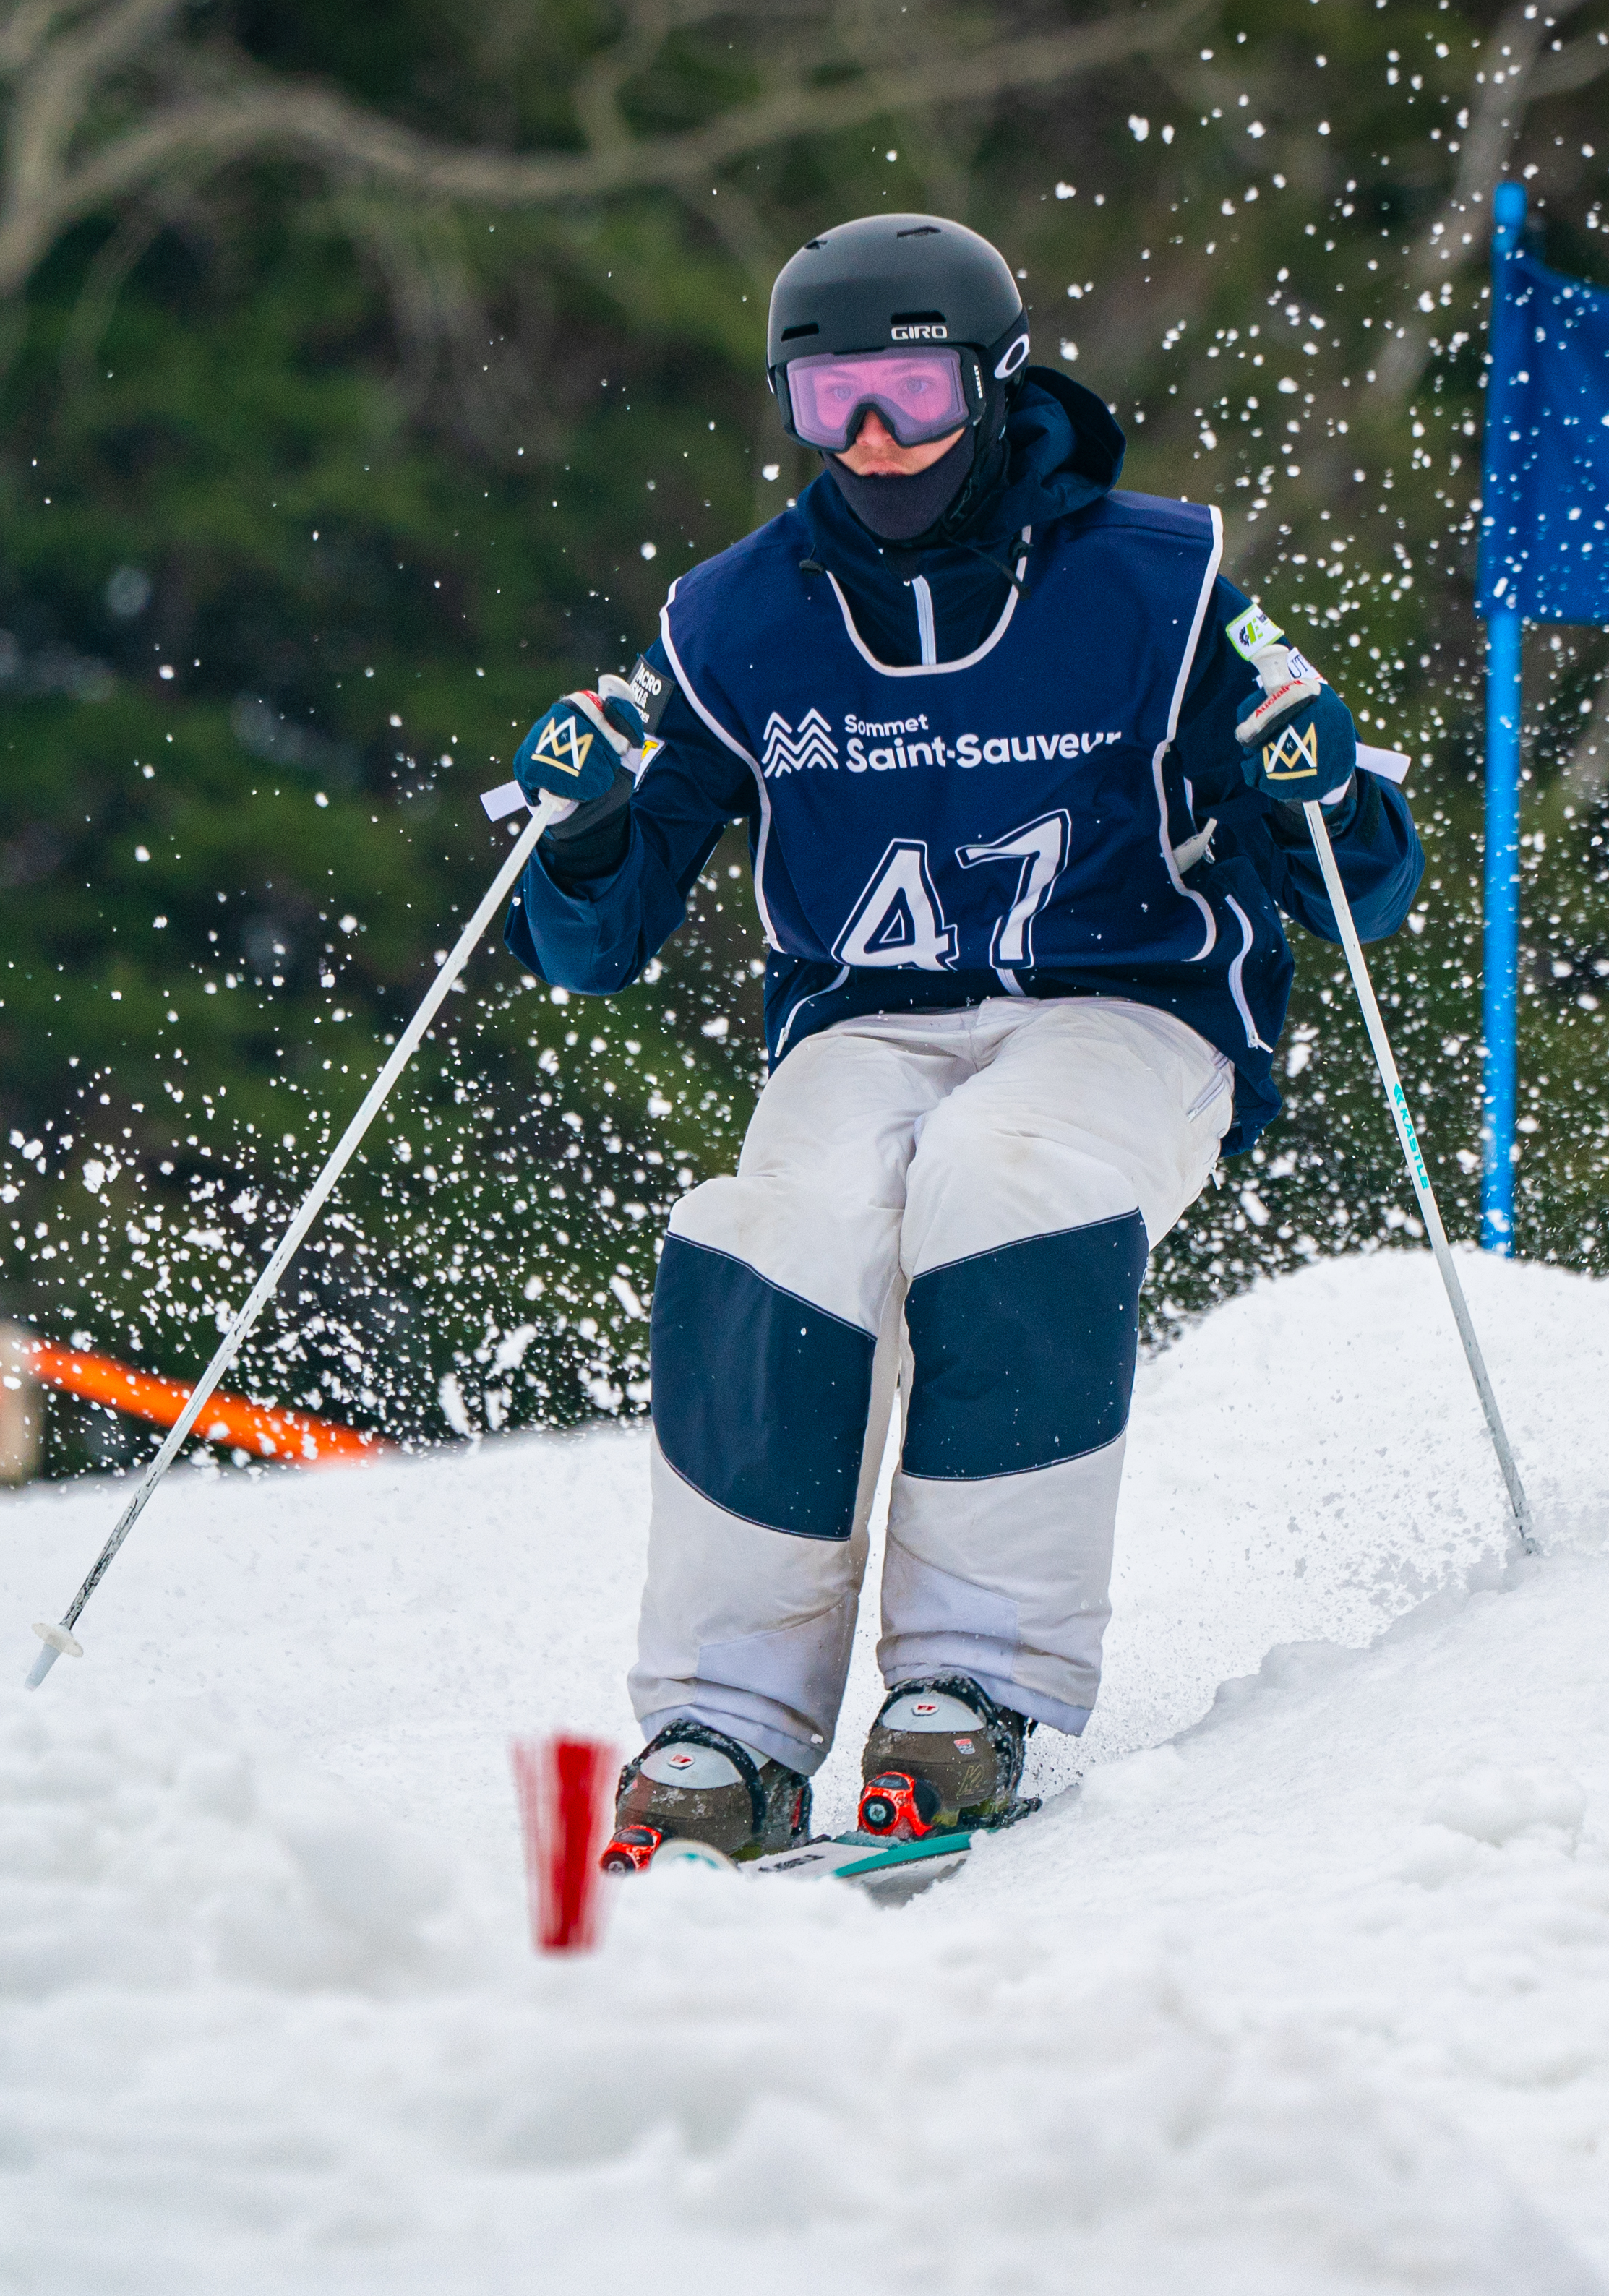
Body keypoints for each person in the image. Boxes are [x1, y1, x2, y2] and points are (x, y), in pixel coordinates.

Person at [503, 211, 1420, 1867]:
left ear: (996, 387)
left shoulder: (1163, 577)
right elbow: (596, 942)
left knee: (999, 1178)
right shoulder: (734, 622)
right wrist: (579, 827)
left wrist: (1325, 784)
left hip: (1132, 1004)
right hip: (868, 1022)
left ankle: (973, 1684)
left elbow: (1364, 882)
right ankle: (730, 1720)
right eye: (828, 397)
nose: (871, 443)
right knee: (781, 1225)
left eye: (911, 394)